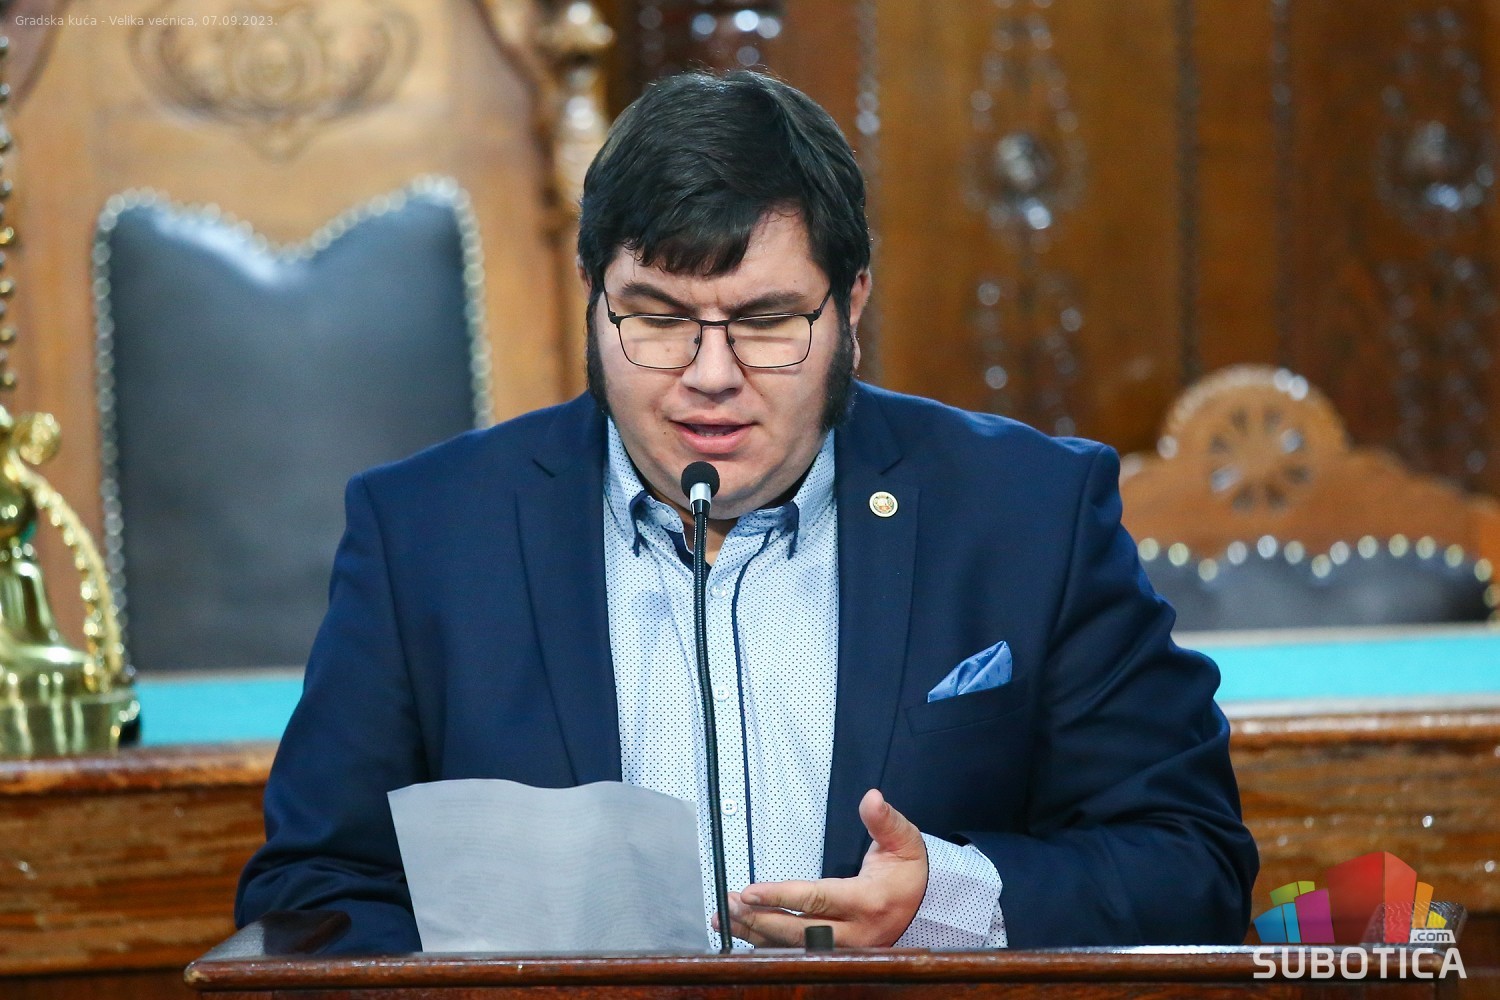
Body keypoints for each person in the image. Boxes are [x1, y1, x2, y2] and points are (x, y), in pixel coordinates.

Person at [236, 69, 1258, 953]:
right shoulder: (425, 536)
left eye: (768, 322)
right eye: (657, 319)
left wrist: (945, 903)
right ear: (591, 295)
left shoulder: (1027, 513)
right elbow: (311, 896)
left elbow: (1192, 861)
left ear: (852, 304)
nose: (710, 376)